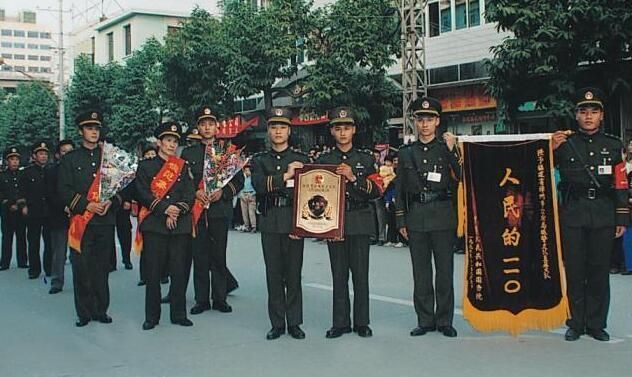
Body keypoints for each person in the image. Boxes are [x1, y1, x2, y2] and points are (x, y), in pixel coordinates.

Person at [551, 87, 629, 342]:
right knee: (574, 271)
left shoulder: (613, 144)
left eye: (593, 112)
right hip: (573, 213)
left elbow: (621, 184)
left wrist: (621, 218)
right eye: (583, 112)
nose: (588, 116)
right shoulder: (565, 145)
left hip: (604, 214)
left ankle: (596, 324)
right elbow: (540, 168)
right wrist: (550, 147)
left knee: (598, 271)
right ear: (576, 116)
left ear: (601, 116)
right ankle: (575, 322)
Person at [395, 97, 460, 338]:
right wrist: (401, 220)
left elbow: (463, 176)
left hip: (443, 215)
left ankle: (445, 320)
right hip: (416, 217)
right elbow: (400, 189)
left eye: (429, 119)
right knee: (421, 273)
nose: (424, 124)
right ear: (414, 122)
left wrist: (454, 150)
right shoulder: (405, 153)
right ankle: (425, 320)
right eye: (420, 119)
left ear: (437, 122)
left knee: (444, 272)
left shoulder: (446, 149)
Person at [316, 107, 381, 338]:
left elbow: (377, 190)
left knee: (360, 275)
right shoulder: (324, 160)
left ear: (354, 130)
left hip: (360, 220)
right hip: (335, 221)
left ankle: (362, 322)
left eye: (347, 128)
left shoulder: (365, 158)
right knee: (339, 274)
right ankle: (340, 322)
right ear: (332, 131)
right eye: (338, 128)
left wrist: (354, 177)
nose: (343, 132)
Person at [251, 107, 310, 340]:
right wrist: (285, 176)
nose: (278, 131)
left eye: (282, 127)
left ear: (289, 130)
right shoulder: (260, 160)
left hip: (293, 220)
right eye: (274, 127)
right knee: (273, 274)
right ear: (268, 131)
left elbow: (308, 194)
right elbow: (257, 184)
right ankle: (277, 323)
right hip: (270, 219)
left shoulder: (302, 160)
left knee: (294, 274)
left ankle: (294, 322)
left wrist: (303, 225)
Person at [58, 110, 122, 327]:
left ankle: (101, 309)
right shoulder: (70, 159)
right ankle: (84, 312)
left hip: (104, 221)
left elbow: (120, 187)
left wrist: (110, 202)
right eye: (89, 128)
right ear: (80, 131)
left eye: (96, 128)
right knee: (81, 267)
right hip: (81, 222)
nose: (94, 132)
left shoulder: (110, 159)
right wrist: (88, 205)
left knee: (101, 268)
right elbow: (64, 190)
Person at [182, 106, 243, 315]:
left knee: (218, 256)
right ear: (198, 127)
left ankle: (219, 298)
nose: (207, 127)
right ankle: (201, 300)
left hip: (219, 211)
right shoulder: (188, 153)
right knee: (199, 256)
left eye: (211, 123)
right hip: (198, 212)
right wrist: (194, 194)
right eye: (203, 124)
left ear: (217, 126)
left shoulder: (226, 151)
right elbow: (182, 182)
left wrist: (223, 193)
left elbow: (239, 181)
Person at [135, 121, 195, 330]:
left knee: (179, 271)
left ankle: (179, 314)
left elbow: (189, 193)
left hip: (180, 225)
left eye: (175, 141)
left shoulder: (182, 166)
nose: (171, 145)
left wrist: (177, 209)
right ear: (159, 142)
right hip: (155, 225)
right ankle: (152, 316)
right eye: (168, 140)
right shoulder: (146, 166)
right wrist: (164, 209)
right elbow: (142, 193)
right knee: (153, 272)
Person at [20, 141, 53, 279]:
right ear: (34, 156)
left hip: (49, 211)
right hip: (33, 211)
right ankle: (34, 269)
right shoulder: (27, 172)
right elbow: (21, 191)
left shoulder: (52, 170)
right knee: (33, 242)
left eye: (45, 154)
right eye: (40, 154)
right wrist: (23, 206)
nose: (43, 156)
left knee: (49, 242)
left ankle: (49, 268)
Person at [47, 139, 75, 294]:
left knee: (78, 251)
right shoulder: (52, 171)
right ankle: (57, 281)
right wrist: (64, 206)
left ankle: (82, 281)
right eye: (64, 151)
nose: (67, 154)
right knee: (59, 251)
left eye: (70, 151)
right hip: (59, 215)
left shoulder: (78, 169)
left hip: (78, 214)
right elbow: (50, 194)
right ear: (58, 154)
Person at [0, 146, 27, 270]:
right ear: (6, 161)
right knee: (7, 237)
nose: (15, 161)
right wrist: (9, 204)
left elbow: (26, 192)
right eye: (12, 159)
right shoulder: (2, 176)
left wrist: (21, 204)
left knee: (21, 236)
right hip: (7, 211)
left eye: (16, 159)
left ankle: (22, 261)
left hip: (21, 210)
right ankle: (5, 262)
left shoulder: (23, 175)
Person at [238, 165, 257, 232]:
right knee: (244, 212)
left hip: (251, 195)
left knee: (251, 212)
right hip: (243, 195)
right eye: (245, 170)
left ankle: (253, 226)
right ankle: (246, 226)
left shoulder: (253, 179)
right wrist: (242, 195)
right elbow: (239, 187)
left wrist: (251, 194)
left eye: (248, 170)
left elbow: (256, 188)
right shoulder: (243, 178)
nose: (247, 172)